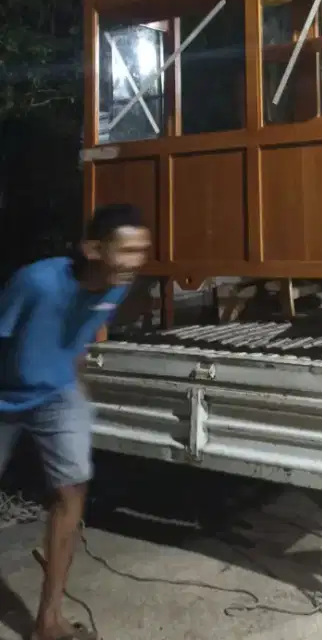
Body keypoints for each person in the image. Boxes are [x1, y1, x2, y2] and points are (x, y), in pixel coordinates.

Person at [0, 204, 151, 640]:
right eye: (127, 250)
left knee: (72, 493)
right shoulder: (36, 283)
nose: (136, 261)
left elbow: (80, 333)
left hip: (56, 393)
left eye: (142, 250)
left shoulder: (118, 287)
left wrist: (75, 382)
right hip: (4, 393)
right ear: (92, 248)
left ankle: (48, 622)